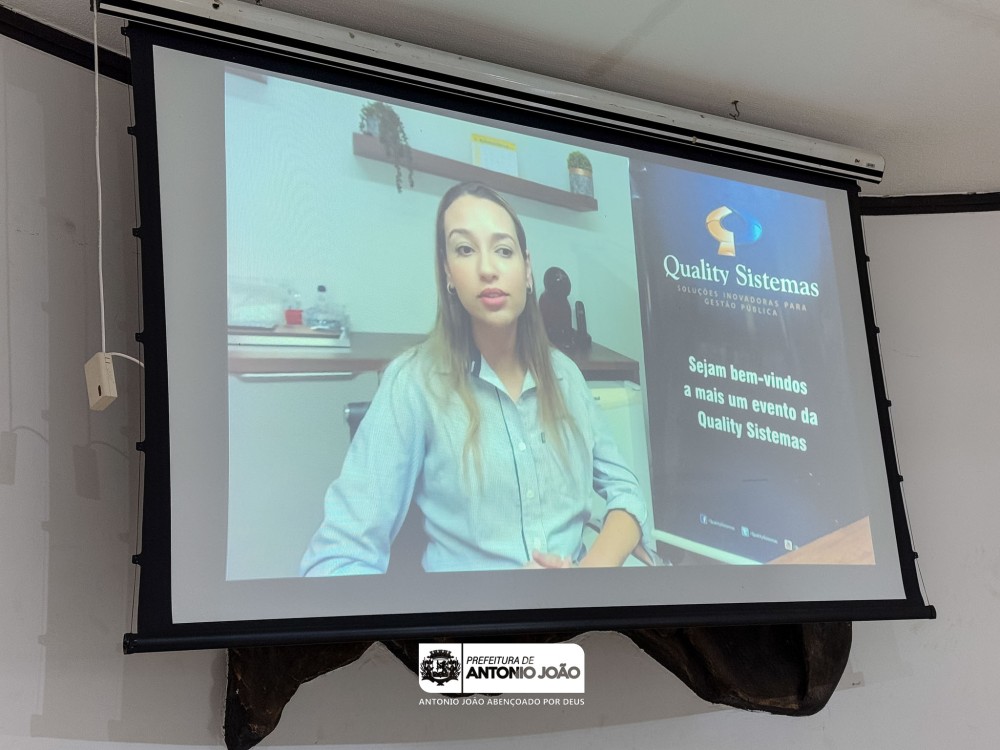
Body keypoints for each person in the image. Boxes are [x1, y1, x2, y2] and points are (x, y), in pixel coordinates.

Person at [300, 182, 658, 575]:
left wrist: (590, 574)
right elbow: (334, 562)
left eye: (503, 250)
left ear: (527, 269)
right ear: (448, 272)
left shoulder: (565, 376)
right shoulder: (414, 384)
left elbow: (627, 491)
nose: (487, 269)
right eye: (465, 250)